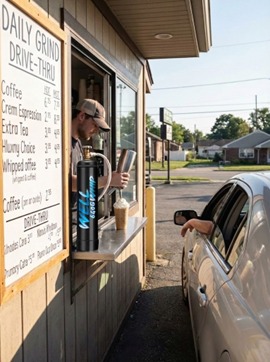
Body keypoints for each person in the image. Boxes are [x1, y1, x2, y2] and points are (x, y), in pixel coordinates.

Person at [71, 98, 130, 208]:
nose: (96, 131)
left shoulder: (77, 143)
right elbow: (68, 182)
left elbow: (79, 177)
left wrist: (110, 178)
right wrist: (108, 180)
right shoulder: (63, 144)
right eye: (95, 125)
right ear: (82, 116)